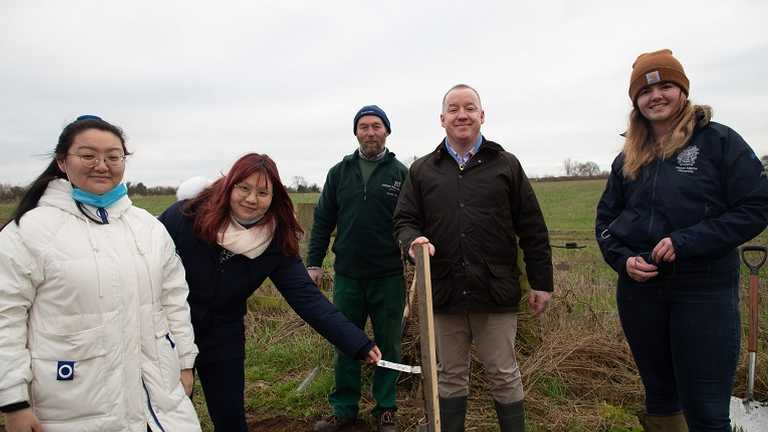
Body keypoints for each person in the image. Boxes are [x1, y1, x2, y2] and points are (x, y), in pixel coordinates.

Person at [595, 49, 768, 432]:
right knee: (660, 398)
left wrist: (688, 241)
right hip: (641, 294)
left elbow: (756, 206)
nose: (656, 96)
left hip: (703, 290)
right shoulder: (627, 158)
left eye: (666, 86)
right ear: (636, 101)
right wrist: (622, 260)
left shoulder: (719, 142)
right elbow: (606, 220)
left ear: (683, 91)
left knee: (706, 408)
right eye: (645, 91)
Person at [0, 115, 201, 432]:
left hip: (159, 398)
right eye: (88, 155)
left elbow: (174, 300)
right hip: (73, 403)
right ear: (63, 161)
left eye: (113, 157)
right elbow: (5, 316)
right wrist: (13, 401)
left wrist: (186, 363)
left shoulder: (147, 227)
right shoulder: (29, 231)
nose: (101, 165)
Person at [158, 153, 381, 432]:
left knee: (231, 419)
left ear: (274, 197)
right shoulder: (185, 217)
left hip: (223, 334)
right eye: (244, 188)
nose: (251, 199)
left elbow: (307, 298)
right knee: (171, 418)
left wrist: (357, 342)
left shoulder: (274, 240)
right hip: (171, 332)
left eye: (263, 192)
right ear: (230, 186)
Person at [394, 84, 554, 432]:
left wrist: (541, 282)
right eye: (453, 109)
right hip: (445, 292)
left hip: (494, 291)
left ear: (482, 115)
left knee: (503, 374)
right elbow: (404, 220)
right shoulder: (423, 170)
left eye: (469, 107)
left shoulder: (506, 165)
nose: (461, 114)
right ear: (442, 119)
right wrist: (411, 241)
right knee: (449, 376)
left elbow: (533, 228)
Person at [307, 105, 408, 432]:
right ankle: (344, 408)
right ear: (356, 133)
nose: (370, 132)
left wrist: (415, 255)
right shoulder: (340, 172)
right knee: (345, 341)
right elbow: (323, 220)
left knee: (388, 343)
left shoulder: (400, 174)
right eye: (363, 127)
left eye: (376, 126)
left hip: (389, 276)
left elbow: (410, 221)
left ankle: (386, 409)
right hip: (348, 275)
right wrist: (314, 263)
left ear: (387, 132)